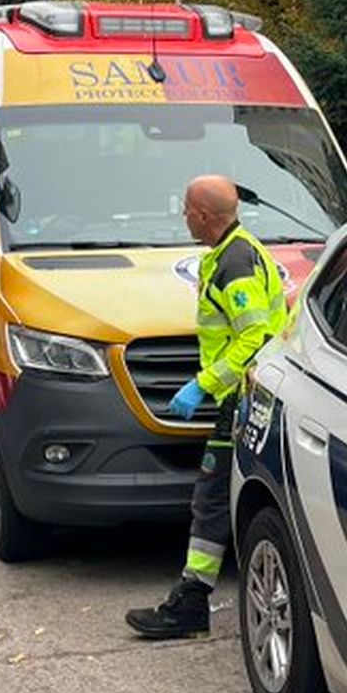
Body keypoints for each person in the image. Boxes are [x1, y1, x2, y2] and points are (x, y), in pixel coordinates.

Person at [126, 176, 290, 640]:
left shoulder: (234, 263)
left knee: (213, 498)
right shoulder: (232, 252)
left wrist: (202, 385)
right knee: (217, 498)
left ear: (202, 215)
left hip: (243, 397)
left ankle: (192, 602)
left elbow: (254, 337)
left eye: (186, 210)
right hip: (243, 396)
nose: (183, 217)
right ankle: (193, 597)